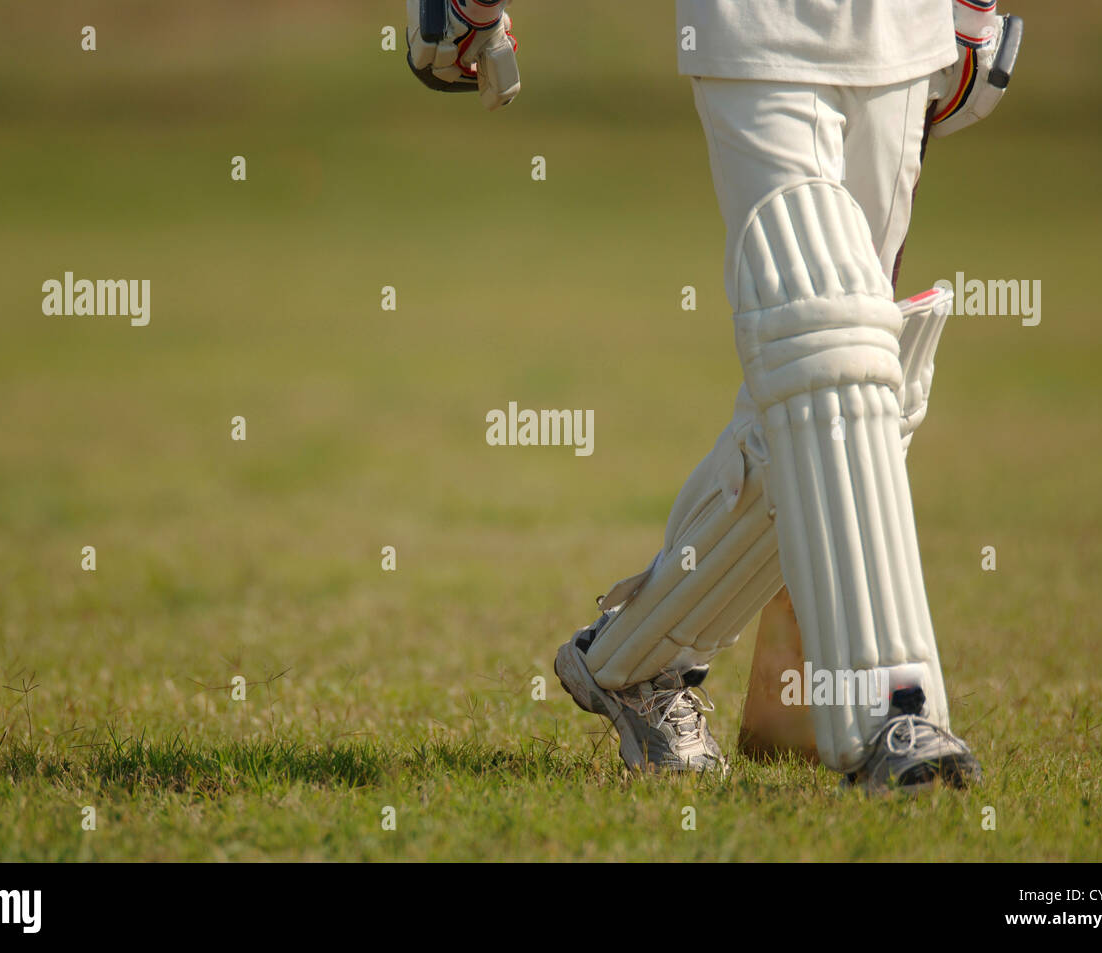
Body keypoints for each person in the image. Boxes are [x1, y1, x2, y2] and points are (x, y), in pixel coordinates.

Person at [407, 0, 1021, 792]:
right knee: (827, 343)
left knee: (847, 390)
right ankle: (893, 716)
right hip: (756, 32)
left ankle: (634, 660)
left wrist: (971, 13)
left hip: (903, 40)